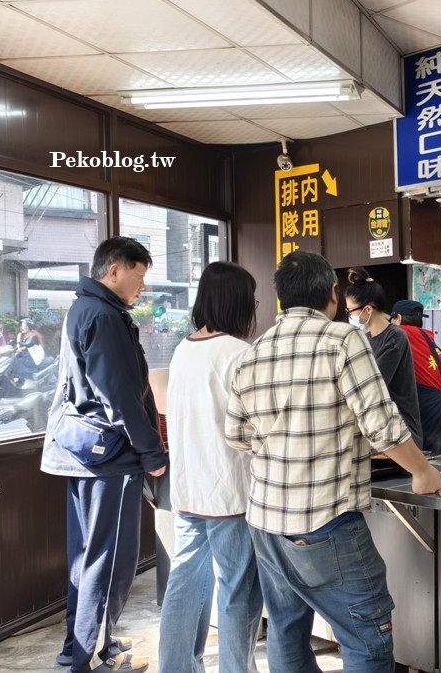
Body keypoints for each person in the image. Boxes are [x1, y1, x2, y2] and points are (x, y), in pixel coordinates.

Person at [225, 251, 441, 672]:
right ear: (332, 294)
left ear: (279, 298)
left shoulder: (249, 355)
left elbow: (237, 436)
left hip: (266, 524)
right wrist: (422, 470)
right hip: (327, 523)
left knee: (287, 630)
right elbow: (382, 427)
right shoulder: (344, 340)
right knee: (367, 640)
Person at [41, 236, 167, 673]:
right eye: (140, 275)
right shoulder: (104, 315)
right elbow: (119, 397)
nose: (142, 287)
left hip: (83, 452)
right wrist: (151, 453)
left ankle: (81, 643)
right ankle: (91, 655)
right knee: (109, 558)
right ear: (115, 270)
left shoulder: (83, 308)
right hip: (110, 457)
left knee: (86, 556)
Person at [158, 262, 263, 673]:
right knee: (237, 591)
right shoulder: (240, 353)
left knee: (184, 586)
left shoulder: (183, 349)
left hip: (188, 491)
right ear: (237, 302)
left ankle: (177, 667)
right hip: (232, 493)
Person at [344, 267, 424, 449]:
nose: (349, 316)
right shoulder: (366, 338)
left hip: (402, 434)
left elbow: (372, 388)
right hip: (380, 433)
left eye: (350, 311)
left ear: (368, 309)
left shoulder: (395, 338)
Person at [391, 299, 441, 455]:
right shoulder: (425, 337)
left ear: (399, 319)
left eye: (392, 319)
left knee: (434, 471)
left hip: (435, 417)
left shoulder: (402, 334)